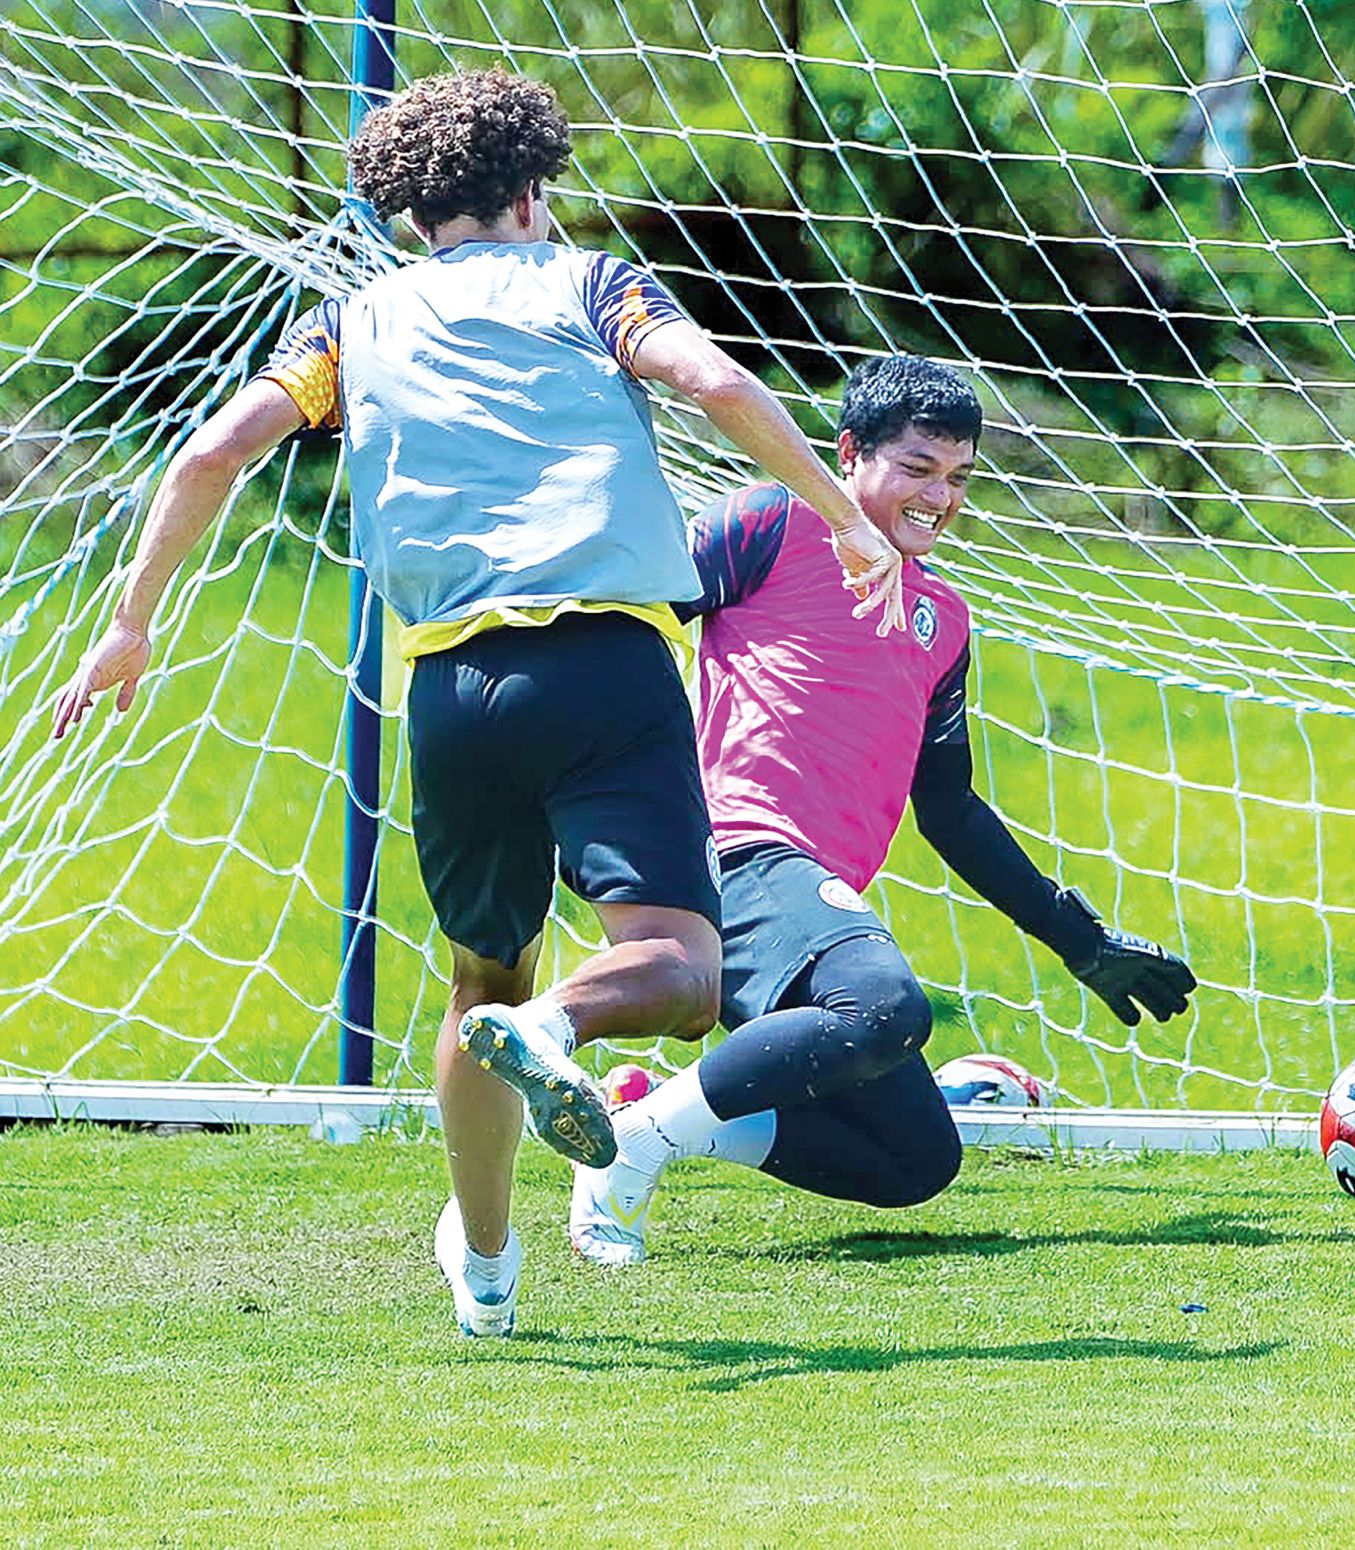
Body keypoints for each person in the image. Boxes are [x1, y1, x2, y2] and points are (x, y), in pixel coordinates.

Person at [51, 70, 904, 1335]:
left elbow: (208, 451)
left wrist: (131, 619)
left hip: (449, 685)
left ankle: (490, 1268)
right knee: (676, 966)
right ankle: (554, 1027)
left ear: (410, 215)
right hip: (605, 665)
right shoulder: (588, 279)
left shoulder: (352, 322)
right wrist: (843, 523)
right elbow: (714, 383)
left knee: (477, 976)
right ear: (530, 189)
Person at [568, 354, 1197, 1264]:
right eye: (917, 468)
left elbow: (948, 807)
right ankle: (632, 1150)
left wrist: (1078, 938)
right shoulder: (772, 523)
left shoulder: (945, 617)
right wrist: (602, 793)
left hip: (802, 895)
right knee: (886, 1006)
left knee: (913, 1159)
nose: (939, 496)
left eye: (958, 477)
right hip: (734, 851)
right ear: (849, 452)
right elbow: (624, 623)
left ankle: (638, 1111)